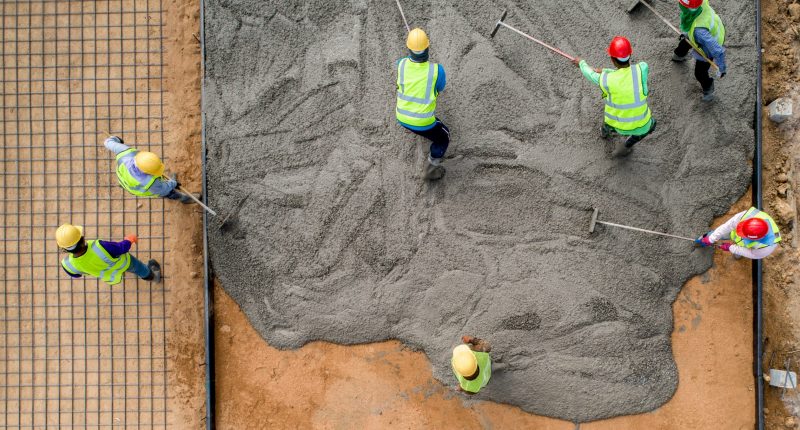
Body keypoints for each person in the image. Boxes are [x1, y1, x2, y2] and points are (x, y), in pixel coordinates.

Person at [573, 36, 656, 157]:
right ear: (630, 55)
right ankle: (627, 145)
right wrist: (605, 71)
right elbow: (627, 72)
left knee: (607, 122)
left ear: (612, 60)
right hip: (641, 126)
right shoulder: (642, 68)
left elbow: (590, 74)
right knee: (651, 125)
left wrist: (581, 63)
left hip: (617, 125)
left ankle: (604, 132)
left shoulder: (606, 79)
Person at [395, 28, 449, 180]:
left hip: (401, 117)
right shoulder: (437, 71)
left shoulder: (400, 64)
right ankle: (432, 170)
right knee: (444, 137)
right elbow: (440, 88)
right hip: (423, 122)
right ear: (428, 47)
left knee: (425, 129)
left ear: (409, 49)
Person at [56, 224, 161, 284]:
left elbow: (76, 275)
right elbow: (121, 248)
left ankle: (143, 275)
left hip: (110, 274)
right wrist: (129, 239)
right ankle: (151, 276)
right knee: (137, 268)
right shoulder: (99, 246)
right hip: (125, 263)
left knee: (125, 269)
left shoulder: (68, 264)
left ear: (64, 249)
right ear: (82, 240)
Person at [104, 135, 195, 203]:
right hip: (136, 188)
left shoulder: (125, 152)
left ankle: (123, 185)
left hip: (123, 178)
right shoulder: (150, 183)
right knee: (169, 193)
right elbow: (163, 190)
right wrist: (172, 183)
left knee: (162, 184)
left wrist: (116, 139)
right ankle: (183, 198)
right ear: (146, 172)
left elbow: (108, 142)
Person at [672, 0, 726, 101]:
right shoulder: (701, 2)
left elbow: (717, 50)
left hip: (707, 47)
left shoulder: (699, 32)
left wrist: (721, 67)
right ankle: (678, 55)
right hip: (707, 30)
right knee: (686, 40)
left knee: (700, 73)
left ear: (688, 8)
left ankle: (708, 89)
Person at [695, 207, 781, 260]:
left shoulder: (766, 248)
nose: (740, 234)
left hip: (746, 246)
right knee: (715, 234)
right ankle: (705, 239)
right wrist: (711, 238)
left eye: (743, 235)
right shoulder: (748, 216)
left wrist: (731, 248)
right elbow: (727, 226)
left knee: (740, 251)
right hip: (733, 233)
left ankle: (738, 251)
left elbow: (751, 253)